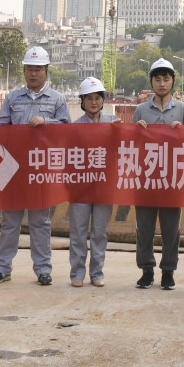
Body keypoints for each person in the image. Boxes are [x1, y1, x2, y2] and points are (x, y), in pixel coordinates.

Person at [0, 45, 70, 286]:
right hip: (14, 169)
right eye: (29, 69)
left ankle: (43, 269)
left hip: (40, 170)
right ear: (24, 71)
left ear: (46, 71)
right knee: (10, 221)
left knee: (40, 222)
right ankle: (2, 268)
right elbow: (1, 128)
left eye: (38, 69)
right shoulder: (13, 98)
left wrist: (47, 122)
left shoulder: (57, 99)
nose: (33, 74)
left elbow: (67, 130)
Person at [134, 58, 184, 290]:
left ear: (173, 81)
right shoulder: (141, 110)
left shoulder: (183, 109)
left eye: (166, 79)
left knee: (171, 229)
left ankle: (168, 270)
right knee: (144, 227)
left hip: (172, 178)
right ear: (151, 82)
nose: (161, 83)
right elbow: (132, 145)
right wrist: (137, 131)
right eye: (157, 79)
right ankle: (146, 269)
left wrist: (183, 132)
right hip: (146, 177)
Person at [69, 76, 118, 287]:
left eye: (97, 98)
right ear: (82, 101)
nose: (94, 102)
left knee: (99, 232)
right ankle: (77, 273)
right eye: (89, 98)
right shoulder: (75, 127)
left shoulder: (113, 123)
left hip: (104, 187)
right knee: (78, 231)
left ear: (103, 100)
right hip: (80, 187)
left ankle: (97, 273)